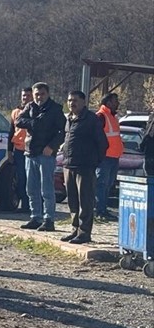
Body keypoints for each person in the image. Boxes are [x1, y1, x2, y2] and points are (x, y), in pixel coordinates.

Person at [15, 81, 66, 232]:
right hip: (30, 152)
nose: (39, 97)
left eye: (42, 94)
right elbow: (19, 121)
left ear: (48, 94)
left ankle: (48, 219)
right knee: (31, 188)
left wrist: (52, 146)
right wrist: (34, 123)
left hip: (46, 154)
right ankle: (35, 216)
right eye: (36, 94)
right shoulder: (30, 107)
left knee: (47, 189)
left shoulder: (55, 109)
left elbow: (62, 131)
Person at [60, 90, 108, 245]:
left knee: (85, 201)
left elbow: (103, 143)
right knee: (72, 201)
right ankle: (75, 229)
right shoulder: (69, 119)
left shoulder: (91, 120)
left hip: (85, 167)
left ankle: (84, 232)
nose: (71, 103)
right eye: (69, 100)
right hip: (69, 165)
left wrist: (94, 162)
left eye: (75, 100)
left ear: (83, 102)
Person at [94, 91, 122, 221]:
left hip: (113, 157)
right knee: (102, 184)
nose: (117, 103)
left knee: (107, 185)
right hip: (105, 157)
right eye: (115, 101)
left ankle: (102, 209)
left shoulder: (111, 116)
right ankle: (99, 210)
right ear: (108, 102)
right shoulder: (101, 116)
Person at [7, 87, 32, 214]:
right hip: (18, 151)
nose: (25, 98)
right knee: (20, 179)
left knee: (31, 179)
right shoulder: (15, 112)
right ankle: (24, 204)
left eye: (28, 95)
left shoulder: (36, 111)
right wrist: (9, 151)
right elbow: (11, 132)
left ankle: (31, 205)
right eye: (23, 96)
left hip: (32, 150)